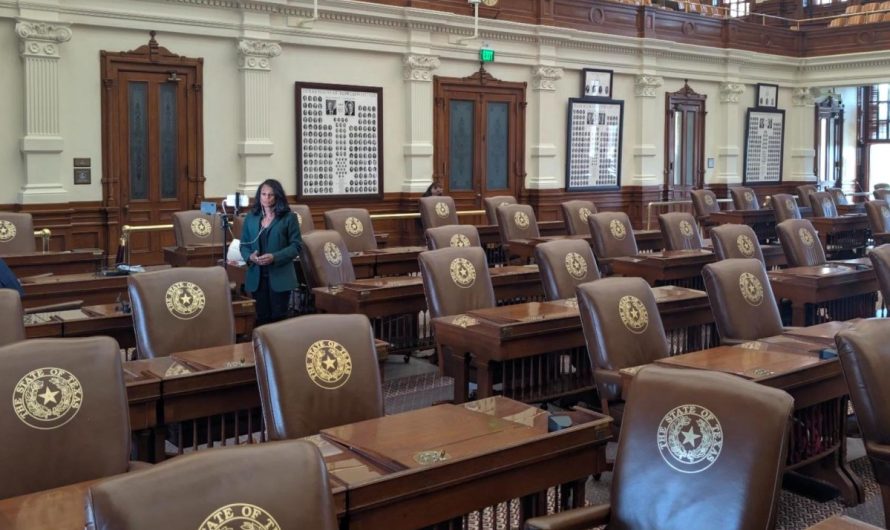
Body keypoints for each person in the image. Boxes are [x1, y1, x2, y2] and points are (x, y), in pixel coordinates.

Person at [240, 179, 302, 326]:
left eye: (270, 195)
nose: (266, 198)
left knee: (278, 320)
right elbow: (243, 245)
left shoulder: (289, 218)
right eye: (263, 194)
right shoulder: (251, 218)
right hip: (257, 277)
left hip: (280, 276)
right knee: (261, 319)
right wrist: (250, 256)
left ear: (278, 196)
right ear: (259, 195)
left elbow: (296, 246)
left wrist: (275, 257)